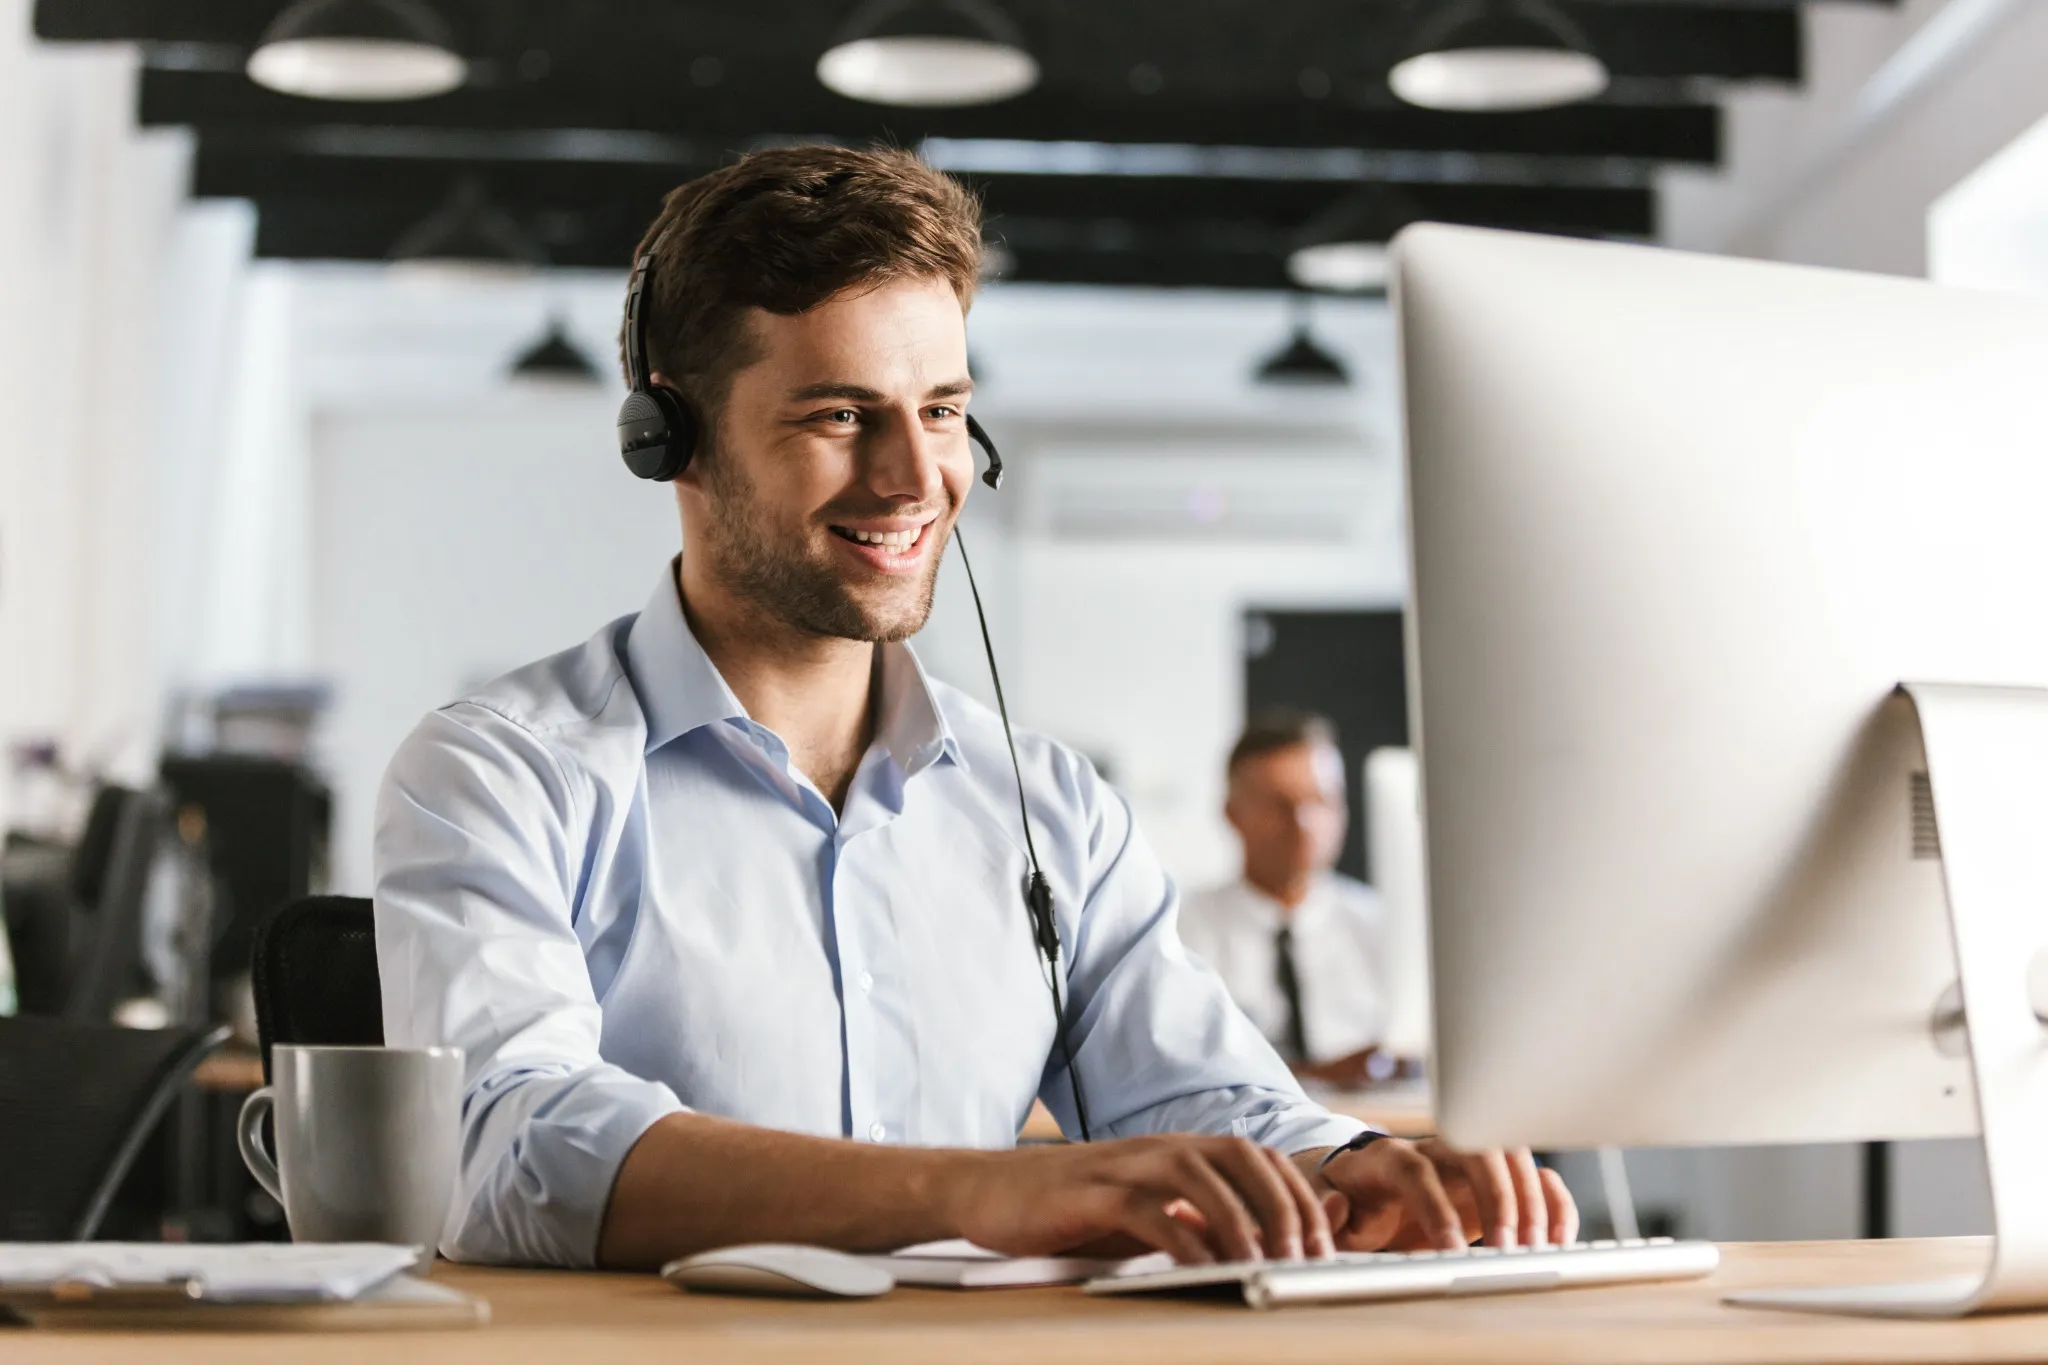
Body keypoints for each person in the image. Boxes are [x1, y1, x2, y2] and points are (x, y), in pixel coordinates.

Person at [374, 145, 1574, 1272]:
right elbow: (508, 1144)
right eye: (840, 415)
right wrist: (975, 1194)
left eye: (941, 410)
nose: (913, 479)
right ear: (669, 434)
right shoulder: (500, 775)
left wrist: (1351, 1164)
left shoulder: (1044, 804)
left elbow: (1190, 1089)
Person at [1180, 713, 1399, 1091]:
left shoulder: (1384, 927)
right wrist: (1317, 1077)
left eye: (1321, 800)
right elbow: (1183, 1064)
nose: (1303, 822)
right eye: (1277, 804)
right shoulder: (1183, 931)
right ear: (1232, 813)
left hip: (1377, 1133)